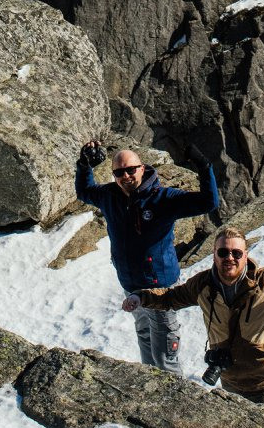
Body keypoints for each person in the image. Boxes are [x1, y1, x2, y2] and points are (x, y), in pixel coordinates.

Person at [124, 227, 264, 412]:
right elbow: (170, 298)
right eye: (223, 252)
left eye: (236, 253)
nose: (230, 258)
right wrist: (140, 297)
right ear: (214, 253)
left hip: (263, 380)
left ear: (246, 255)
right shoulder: (203, 285)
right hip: (229, 376)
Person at [76, 140, 219, 373]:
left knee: (165, 357)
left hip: (160, 289)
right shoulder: (109, 196)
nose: (126, 176)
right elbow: (84, 191)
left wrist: (204, 166)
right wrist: (84, 166)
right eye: (119, 172)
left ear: (142, 168)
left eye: (131, 169)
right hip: (130, 287)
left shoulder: (163, 199)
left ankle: (177, 403)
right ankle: (150, 393)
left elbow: (209, 202)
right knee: (145, 339)